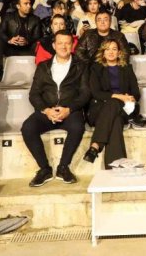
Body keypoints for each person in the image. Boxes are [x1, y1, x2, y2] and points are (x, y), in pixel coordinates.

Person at [23, 30, 90, 187]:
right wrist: (46, 110)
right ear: (54, 45)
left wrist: (69, 109)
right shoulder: (43, 66)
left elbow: (85, 94)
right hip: (47, 111)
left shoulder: (81, 66)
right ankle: (44, 169)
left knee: (77, 127)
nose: (63, 46)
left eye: (67, 43)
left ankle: (63, 167)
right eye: (60, 43)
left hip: (70, 111)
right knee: (28, 128)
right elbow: (34, 94)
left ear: (72, 45)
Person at [83, 40, 140, 166]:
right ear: (103, 52)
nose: (111, 52)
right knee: (116, 121)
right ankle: (116, 167)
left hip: (124, 108)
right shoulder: (96, 69)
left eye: (114, 49)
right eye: (107, 49)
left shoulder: (127, 69)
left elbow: (136, 93)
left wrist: (130, 98)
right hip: (100, 109)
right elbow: (96, 93)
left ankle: (95, 146)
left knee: (115, 107)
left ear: (119, 53)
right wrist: (118, 96)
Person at [0, 0, 42, 78]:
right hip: (11, 47)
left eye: (30, 3)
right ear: (18, 6)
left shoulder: (35, 19)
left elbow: (37, 36)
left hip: (27, 48)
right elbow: (0, 32)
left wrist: (27, 41)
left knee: (39, 45)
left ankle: (39, 76)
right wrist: (9, 40)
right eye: (26, 4)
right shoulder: (8, 17)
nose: (29, 6)